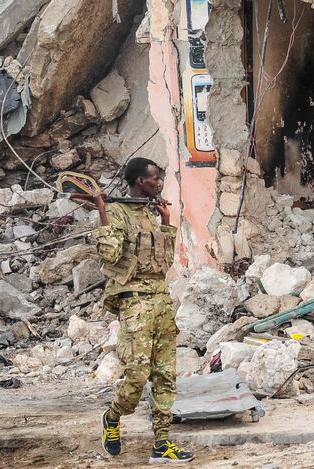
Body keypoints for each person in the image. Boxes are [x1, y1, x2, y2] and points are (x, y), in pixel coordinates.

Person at [95, 157, 193, 464]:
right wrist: (101, 211)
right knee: (136, 377)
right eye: (154, 179)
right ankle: (112, 418)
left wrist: (165, 222)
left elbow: (163, 262)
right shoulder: (116, 211)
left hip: (161, 300)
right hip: (135, 303)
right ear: (140, 181)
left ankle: (162, 444)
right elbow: (110, 256)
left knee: (165, 376)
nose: (159, 183)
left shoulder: (152, 213)